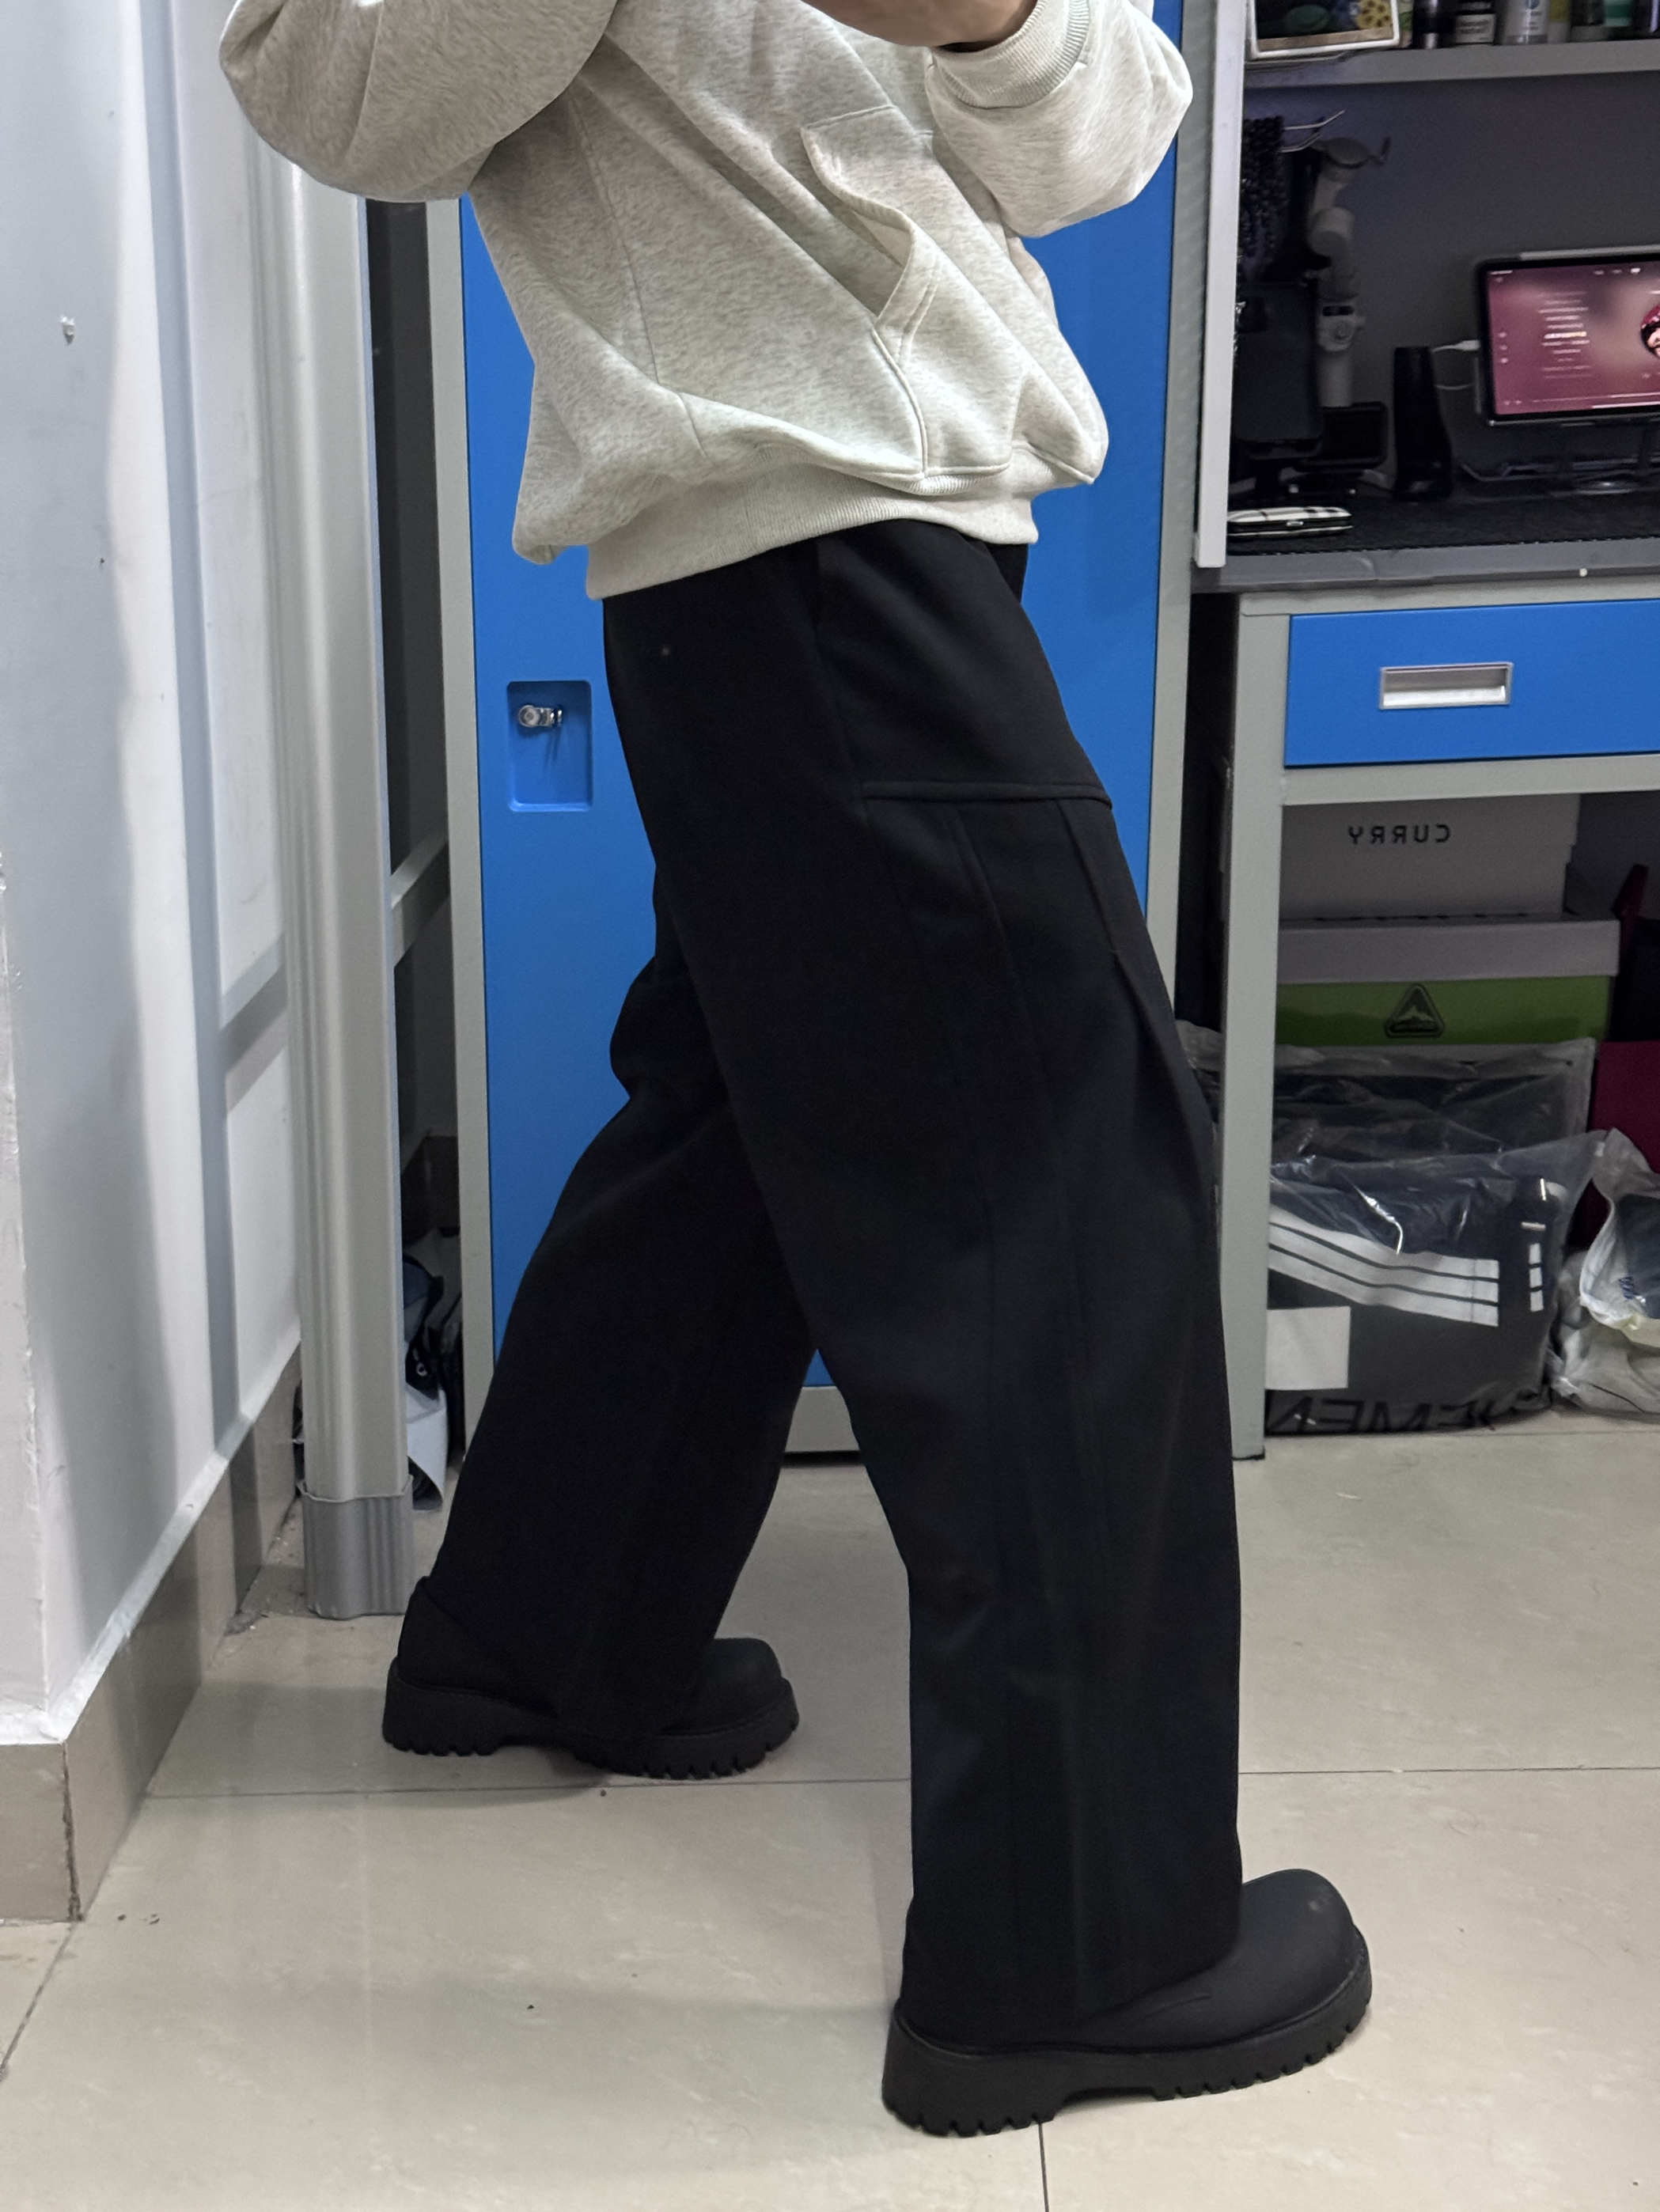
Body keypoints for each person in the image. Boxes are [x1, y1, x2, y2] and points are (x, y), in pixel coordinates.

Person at [222, 0, 1370, 2134]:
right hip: (808, 542)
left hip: (866, 544)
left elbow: (1106, 141)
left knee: (737, 1138)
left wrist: (995, 22)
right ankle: (1076, 1958)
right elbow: (321, 85)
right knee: (1055, 1209)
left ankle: (540, 1637)